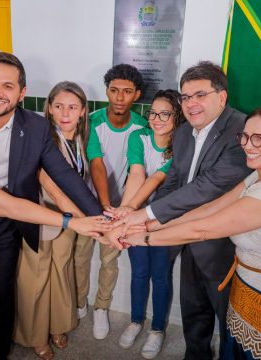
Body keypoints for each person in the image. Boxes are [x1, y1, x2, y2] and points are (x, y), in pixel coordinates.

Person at [0, 52, 104, 360]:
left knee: (3, 293)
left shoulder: (37, 127)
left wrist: (99, 218)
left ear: (22, 92)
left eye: (7, 86)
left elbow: (64, 175)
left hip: (6, 223)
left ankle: (0, 352)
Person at [106, 61, 252, 359]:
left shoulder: (240, 130)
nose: (191, 103)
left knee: (229, 325)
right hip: (187, 243)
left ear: (221, 96)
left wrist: (144, 218)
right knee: (194, 313)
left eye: (200, 95)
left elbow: (207, 186)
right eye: (185, 97)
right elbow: (172, 182)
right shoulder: (184, 134)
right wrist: (138, 220)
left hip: (223, 247)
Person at [123, 104, 261, 360]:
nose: (247, 145)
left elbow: (202, 229)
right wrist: (147, 224)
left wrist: (140, 237)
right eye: (245, 136)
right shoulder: (256, 176)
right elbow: (209, 209)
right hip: (246, 292)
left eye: (259, 138)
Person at [14, 81, 92, 359]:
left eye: (72, 107)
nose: (65, 112)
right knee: (36, 277)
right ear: (49, 108)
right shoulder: (40, 134)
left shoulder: (82, 138)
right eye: (58, 106)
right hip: (41, 215)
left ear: (83, 111)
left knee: (62, 270)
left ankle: (59, 324)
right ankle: (36, 336)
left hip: (71, 219)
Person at [110, 89, 184, 359]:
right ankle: (136, 320)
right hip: (137, 216)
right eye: (153, 112)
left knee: (161, 275)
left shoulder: (181, 147)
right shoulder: (138, 136)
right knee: (139, 271)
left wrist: (128, 212)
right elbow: (138, 174)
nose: (156, 119)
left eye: (165, 113)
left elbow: (156, 181)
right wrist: (127, 216)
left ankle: (157, 329)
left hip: (165, 221)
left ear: (177, 116)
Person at [85, 63, 147, 339]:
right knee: (78, 257)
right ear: (107, 92)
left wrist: (117, 214)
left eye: (127, 92)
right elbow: (96, 165)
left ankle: (101, 307)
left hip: (121, 209)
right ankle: (77, 303)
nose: (120, 97)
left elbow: (139, 171)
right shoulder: (93, 121)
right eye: (114, 91)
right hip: (88, 203)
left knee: (109, 261)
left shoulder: (143, 128)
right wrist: (102, 207)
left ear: (137, 95)